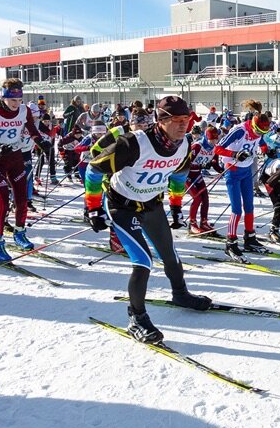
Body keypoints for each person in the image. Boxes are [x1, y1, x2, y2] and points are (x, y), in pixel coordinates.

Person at [85, 95, 211, 343]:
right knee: (143, 262)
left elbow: (178, 175)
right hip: (122, 206)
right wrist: (92, 208)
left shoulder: (184, 144)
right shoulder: (134, 143)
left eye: (186, 119)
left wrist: (176, 206)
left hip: (152, 204)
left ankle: (180, 294)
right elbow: (93, 168)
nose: (183, 125)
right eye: (176, 120)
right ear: (161, 120)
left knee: (171, 255)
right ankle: (137, 317)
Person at [0, 78, 49, 260]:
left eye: (19, 99)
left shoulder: (24, 110)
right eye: (13, 100)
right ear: (3, 97)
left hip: (15, 156)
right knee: (3, 203)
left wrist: (41, 142)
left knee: (21, 199)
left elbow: (32, 130)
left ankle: (19, 232)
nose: (16, 104)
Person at [213, 109, 270, 257]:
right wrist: (234, 154)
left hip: (246, 171)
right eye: (257, 131)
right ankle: (230, 242)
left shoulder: (259, 132)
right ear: (252, 125)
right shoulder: (239, 131)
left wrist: (267, 150)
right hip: (233, 171)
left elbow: (261, 141)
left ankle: (250, 237)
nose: (258, 134)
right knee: (237, 210)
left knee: (250, 206)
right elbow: (218, 148)